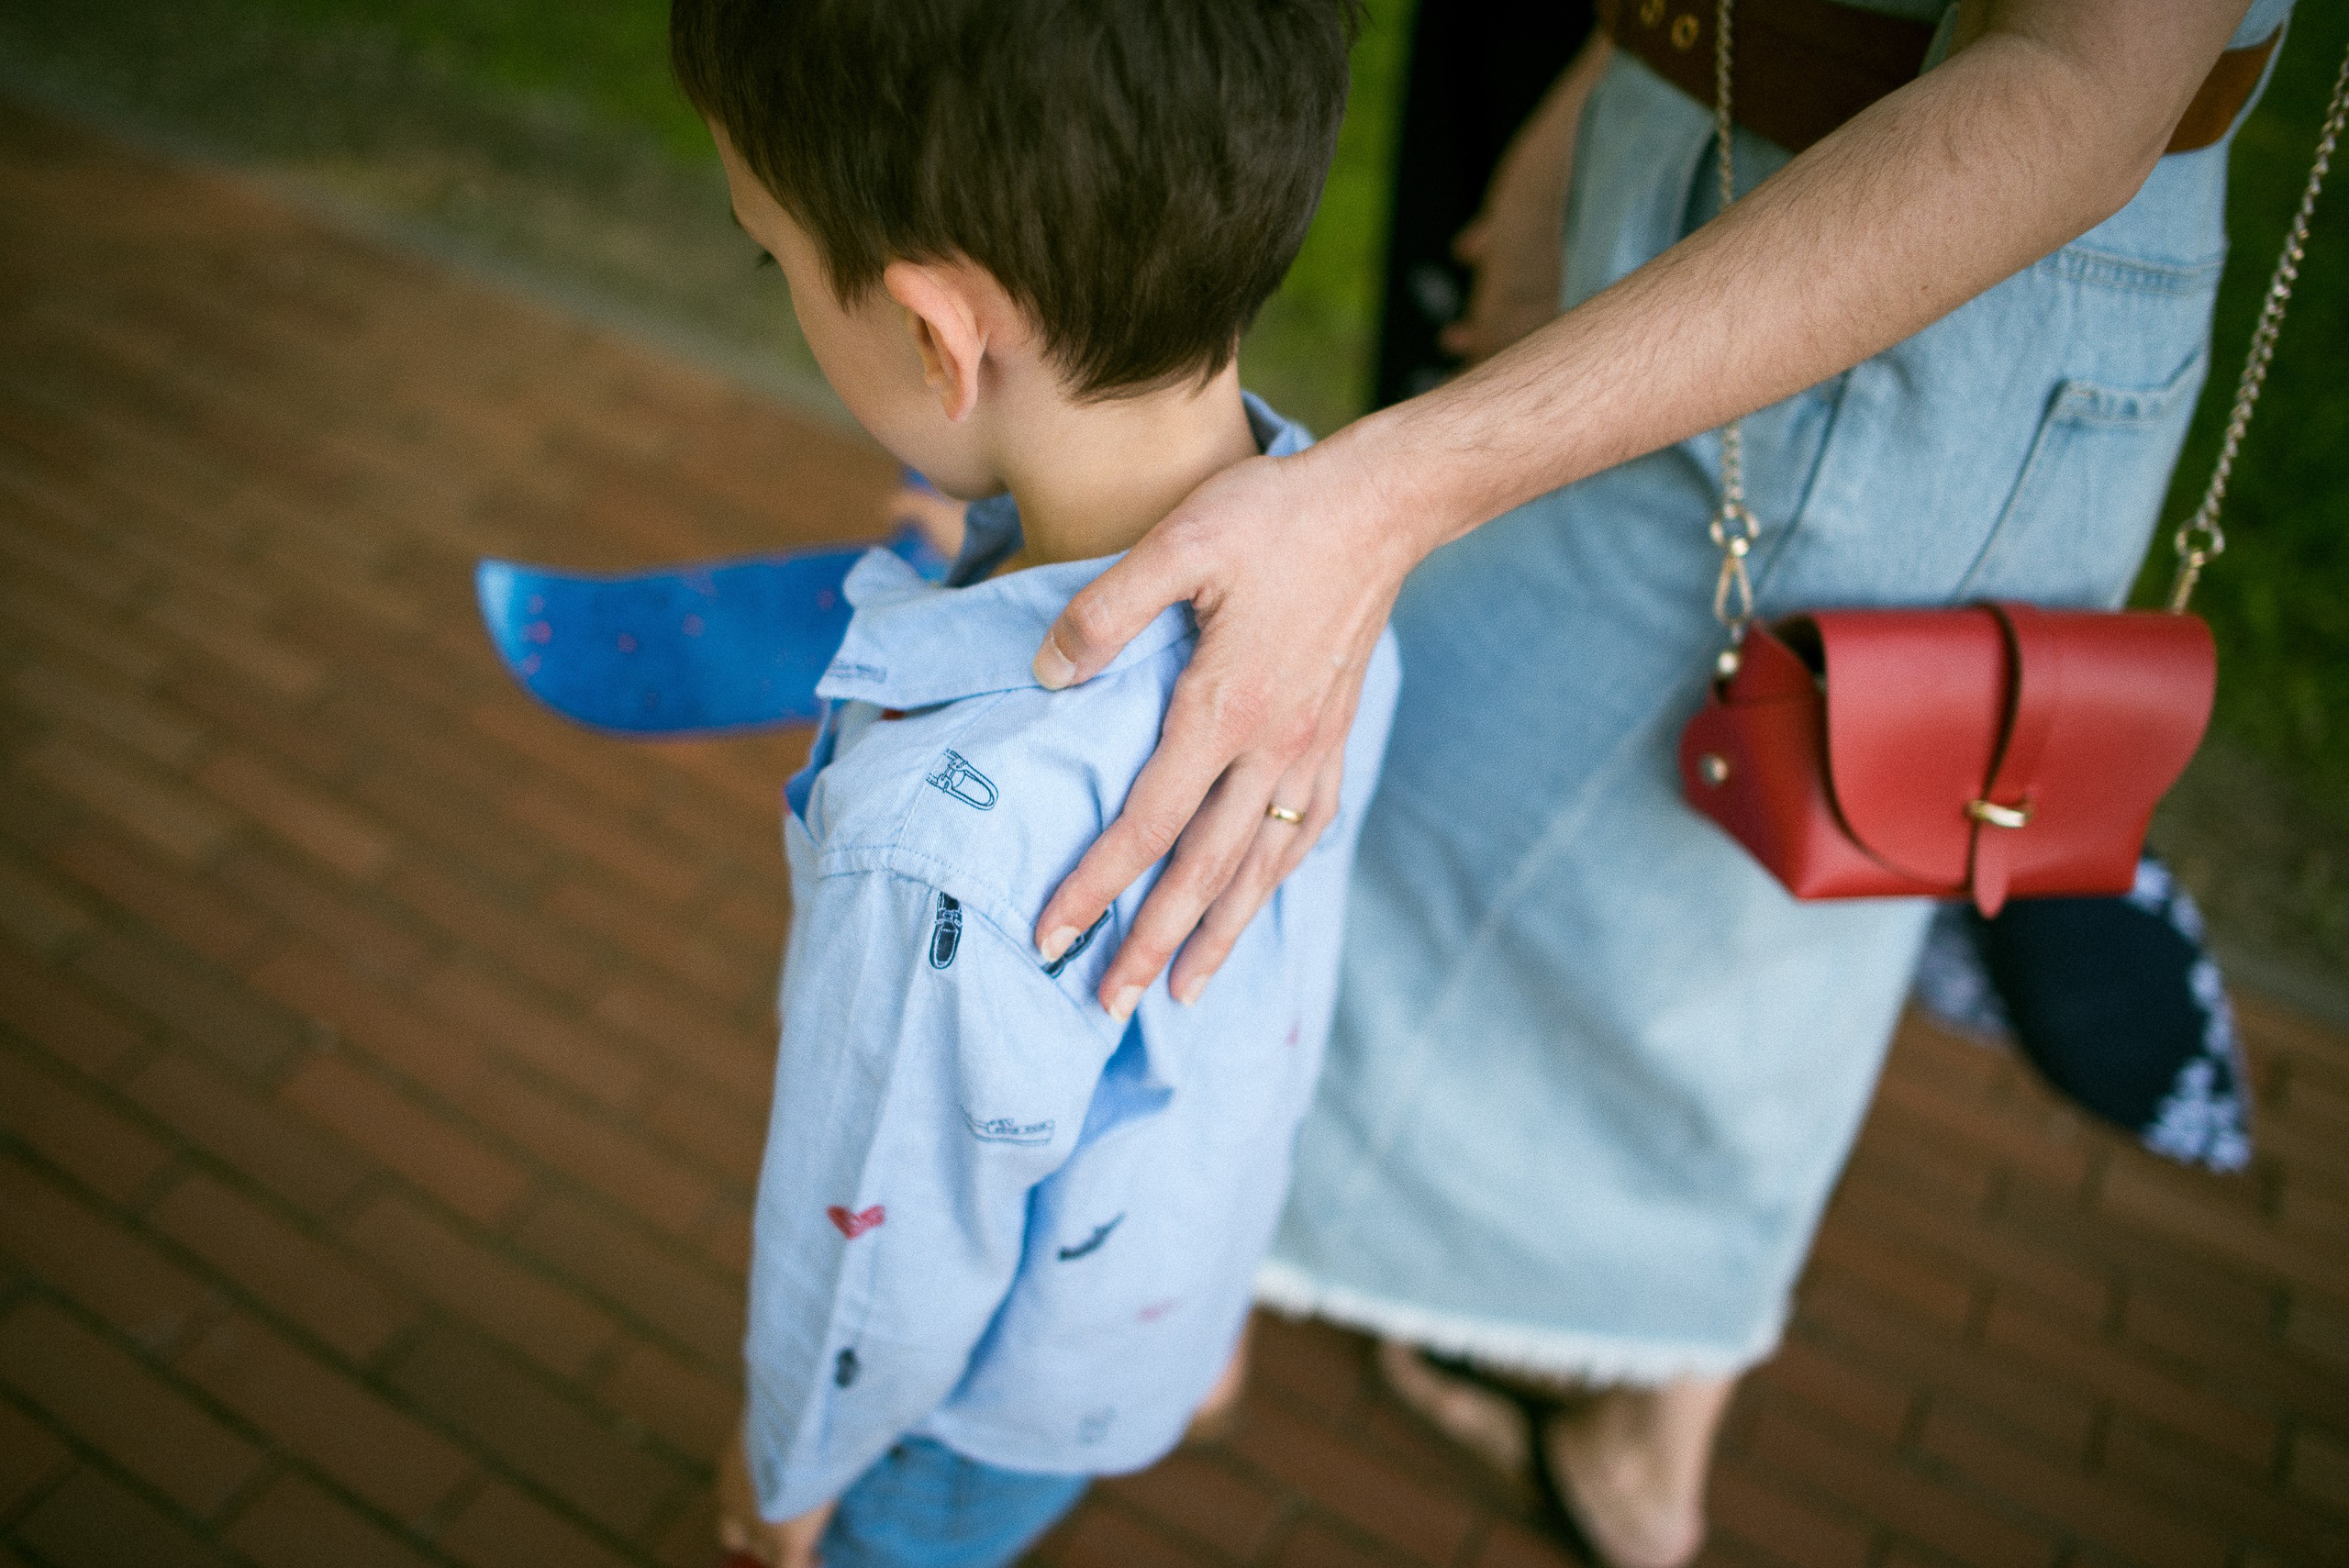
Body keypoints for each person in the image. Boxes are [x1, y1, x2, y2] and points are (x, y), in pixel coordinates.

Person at [1008, 1, 2296, 1563]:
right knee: (1734, 908)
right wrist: (1611, 94)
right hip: (1729, 168)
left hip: (1908, 292)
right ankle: (1580, 1385)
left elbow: (2079, 89)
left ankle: (1287, 1321)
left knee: (1714, 886)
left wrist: (1391, 489)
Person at [666, 2, 1398, 1564]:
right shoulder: (1335, 613)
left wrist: (784, 1470)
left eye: (770, 258)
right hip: (1144, 1320)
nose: (779, 287)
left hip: (943, 1421)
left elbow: (883, 1255)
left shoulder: (936, 849)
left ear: (938, 335)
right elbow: (1254, 993)